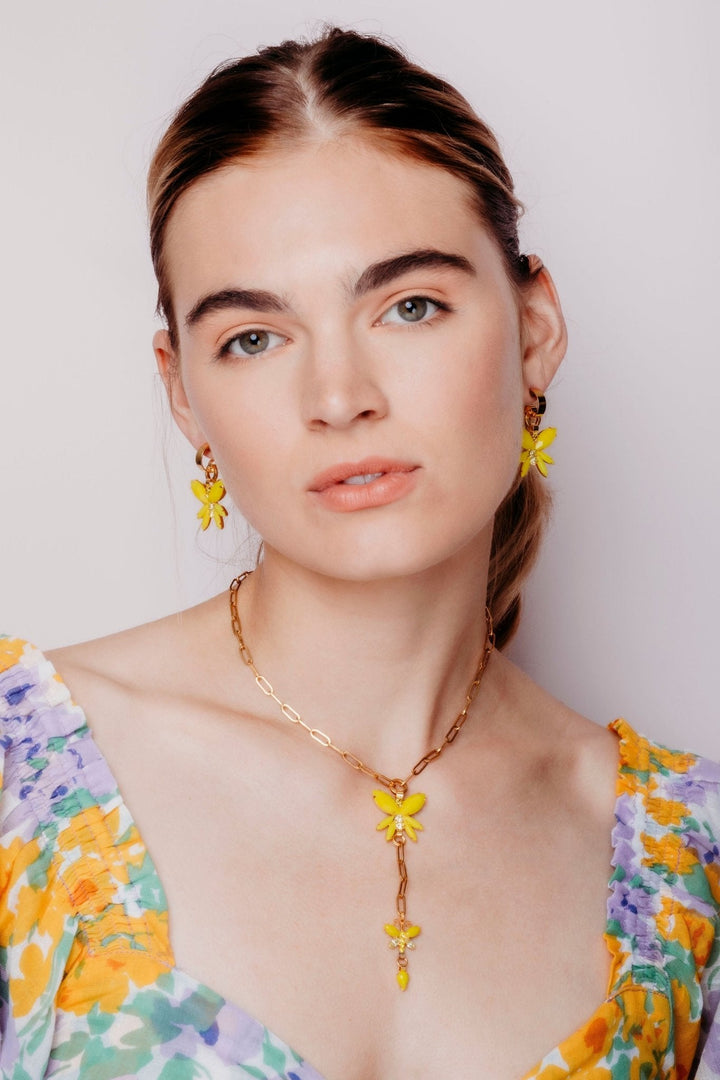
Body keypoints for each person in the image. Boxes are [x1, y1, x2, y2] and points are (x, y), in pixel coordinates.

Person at [1, 25, 718, 1080]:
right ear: (183, 394)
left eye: (409, 306)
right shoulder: (21, 783)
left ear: (535, 329)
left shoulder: (677, 863)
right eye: (253, 337)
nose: (339, 397)